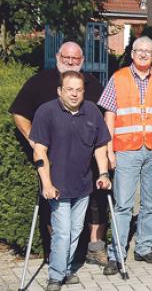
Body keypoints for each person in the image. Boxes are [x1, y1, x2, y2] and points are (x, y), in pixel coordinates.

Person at [9, 42, 107, 265]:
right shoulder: (39, 81)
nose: (71, 61)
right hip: (52, 160)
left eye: (76, 58)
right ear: (57, 57)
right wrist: (33, 140)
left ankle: (86, 251)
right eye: (66, 57)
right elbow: (19, 113)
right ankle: (56, 255)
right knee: (52, 206)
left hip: (86, 160)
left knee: (93, 206)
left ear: (82, 60)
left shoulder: (91, 84)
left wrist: (106, 153)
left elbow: (104, 119)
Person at [29, 71, 111, 291]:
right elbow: (39, 151)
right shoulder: (46, 112)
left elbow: (100, 146)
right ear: (60, 91)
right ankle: (55, 277)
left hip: (83, 185)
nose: (74, 94)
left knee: (75, 232)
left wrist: (103, 174)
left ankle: (65, 269)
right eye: (69, 90)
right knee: (63, 232)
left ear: (83, 91)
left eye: (78, 90)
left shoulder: (92, 111)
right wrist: (46, 183)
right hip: (57, 187)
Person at [99, 36, 152, 275]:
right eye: (140, 50)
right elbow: (109, 116)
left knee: (151, 203)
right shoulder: (118, 78)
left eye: (149, 51)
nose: (144, 54)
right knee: (123, 204)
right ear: (132, 53)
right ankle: (116, 253)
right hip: (125, 149)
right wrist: (108, 150)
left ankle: (145, 247)